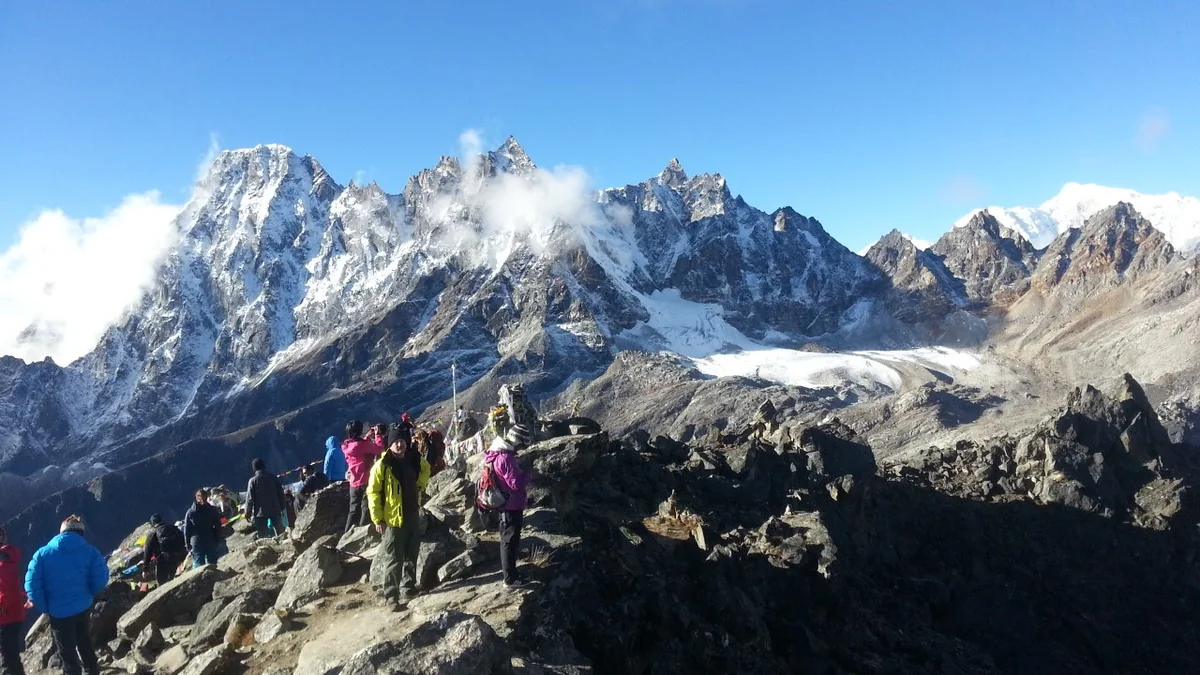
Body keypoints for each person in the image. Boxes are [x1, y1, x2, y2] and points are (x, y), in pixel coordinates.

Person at [24, 516, 107, 675]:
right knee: (85, 641)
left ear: (61, 532)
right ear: (81, 532)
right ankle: (92, 670)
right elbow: (101, 578)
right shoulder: (90, 551)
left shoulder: (42, 554)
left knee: (67, 652)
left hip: (58, 612)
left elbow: (32, 586)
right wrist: (89, 594)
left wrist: (45, 607)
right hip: (83, 606)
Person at [368, 426, 430, 609]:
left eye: (402, 441)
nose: (399, 445)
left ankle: (408, 587)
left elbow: (426, 469)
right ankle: (391, 596)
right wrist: (378, 519)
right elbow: (373, 492)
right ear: (389, 445)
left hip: (412, 515)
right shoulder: (383, 465)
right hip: (393, 520)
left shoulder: (413, 459)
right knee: (394, 558)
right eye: (395, 442)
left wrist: (420, 485)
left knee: (412, 554)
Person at [485, 424, 534, 588]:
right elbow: (515, 484)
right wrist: (529, 475)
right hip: (511, 505)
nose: (521, 447)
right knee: (509, 542)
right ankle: (510, 579)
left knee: (507, 541)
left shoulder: (495, 454)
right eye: (521, 443)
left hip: (504, 504)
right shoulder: (506, 458)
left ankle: (511, 575)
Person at [342, 421, 385, 533]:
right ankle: (362, 531)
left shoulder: (346, 445)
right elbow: (379, 449)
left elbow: (359, 445)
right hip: (366, 479)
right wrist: (378, 435)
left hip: (353, 481)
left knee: (353, 509)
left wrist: (367, 436)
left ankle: (346, 533)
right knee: (366, 507)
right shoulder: (363, 445)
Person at [0, 525, 29, 675]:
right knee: (10, 654)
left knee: (8, 656)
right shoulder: (6, 559)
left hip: (7, 615)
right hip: (11, 613)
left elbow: (8, 590)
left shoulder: (3, 562)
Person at [245, 459, 287, 538]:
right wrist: (282, 507)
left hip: (260, 513)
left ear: (254, 468)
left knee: (263, 536)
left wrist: (247, 513)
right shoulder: (273, 477)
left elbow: (250, 499)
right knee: (281, 533)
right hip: (275, 509)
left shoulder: (252, 481)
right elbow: (281, 493)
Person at [142, 514, 186, 584]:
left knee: (162, 583)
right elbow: (183, 539)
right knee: (172, 579)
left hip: (162, 561)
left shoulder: (153, 534)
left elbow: (147, 551)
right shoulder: (172, 528)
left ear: (153, 523)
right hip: (176, 557)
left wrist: (145, 569)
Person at [183, 489, 223, 567]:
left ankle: (201, 578)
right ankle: (214, 578)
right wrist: (217, 538)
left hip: (196, 541)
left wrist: (187, 544)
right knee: (212, 562)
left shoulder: (190, 512)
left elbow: (187, 530)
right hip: (210, 538)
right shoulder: (212, 510)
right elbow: (218, 525)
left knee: (199, 563)